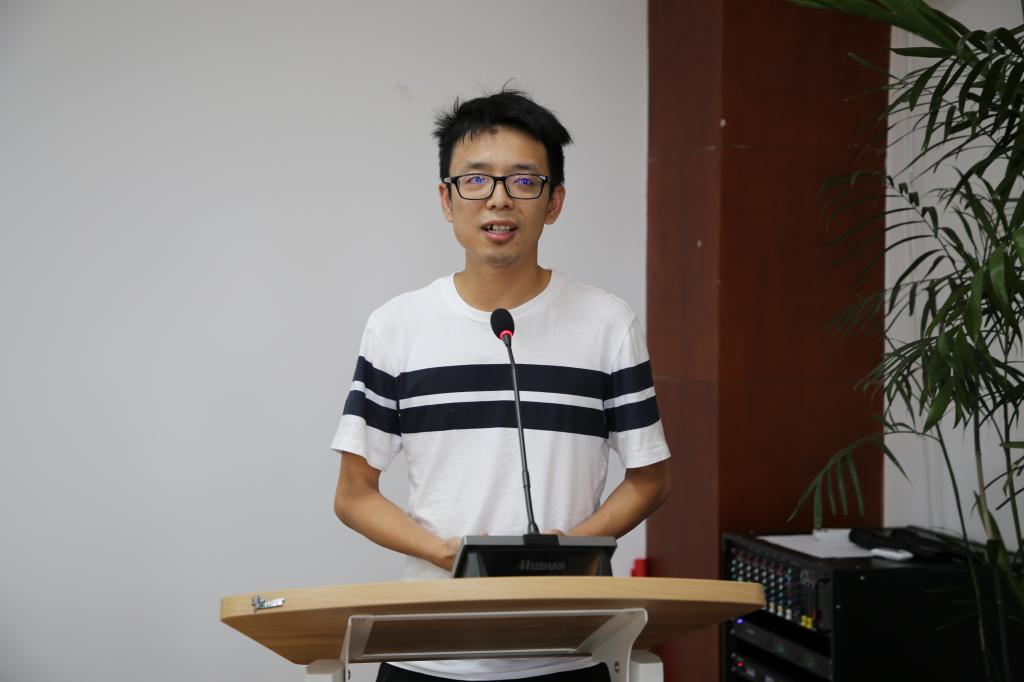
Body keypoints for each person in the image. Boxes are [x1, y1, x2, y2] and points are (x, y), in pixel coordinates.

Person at [331, 88, 672, 682]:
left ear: (554, 201)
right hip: (429, 652)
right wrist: (448, 554)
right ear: (446, 199)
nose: (498, 199)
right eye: (476, 180)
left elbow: (650, 478)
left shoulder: (608, 324)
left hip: (569, 649)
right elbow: (353, 494)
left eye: (523, 180)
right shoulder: (396, 327)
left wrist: (566, 553)